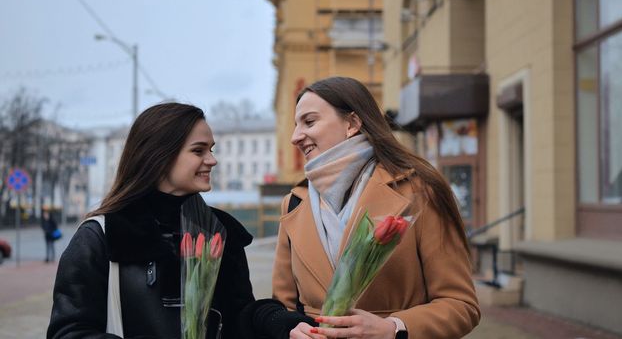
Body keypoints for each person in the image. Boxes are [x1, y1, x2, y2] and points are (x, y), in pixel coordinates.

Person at [271, 77, 480, 338]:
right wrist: (291, 328)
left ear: (352, 124)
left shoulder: (420, 191)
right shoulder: (294, 203)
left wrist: (393, 328)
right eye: (295, 125)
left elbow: (461, 305)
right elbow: (282, 306)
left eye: (309, 122)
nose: (295, 137)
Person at [47, 103, 255, 339]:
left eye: (211, 150)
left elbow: (241, 316)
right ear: (160, 156)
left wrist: (277, 320)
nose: (212, 160)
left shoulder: (220, 230)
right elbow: (67, 332)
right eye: (199, 151)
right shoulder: (100, 236)